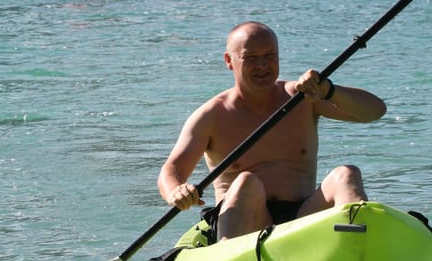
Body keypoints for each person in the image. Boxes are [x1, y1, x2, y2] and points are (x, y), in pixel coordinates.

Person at [158, 20, 386, 242]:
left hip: (300, 218)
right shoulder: (211, 115)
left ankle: (358, 253)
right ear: (229, 61)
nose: (262, 66)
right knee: (247, 181)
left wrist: (329, 90)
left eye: (269, 56)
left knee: (346, 174)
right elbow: (173, 168)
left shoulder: (302, 98)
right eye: (251, 58)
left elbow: (375, 111)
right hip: (243, 225)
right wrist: (175, 191)